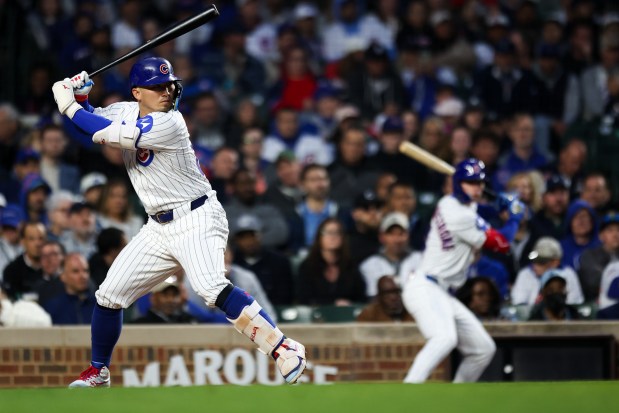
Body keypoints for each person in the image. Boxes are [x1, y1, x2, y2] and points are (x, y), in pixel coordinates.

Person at [52, 57, 305, 387]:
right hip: (158, 227)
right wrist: (82, 99)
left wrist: (66, 103)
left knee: (210, 288)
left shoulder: (170, 122)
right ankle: (98, 371)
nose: (167, 91)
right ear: (137, 92)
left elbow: (100, 132)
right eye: (158, 87)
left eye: (169, 85)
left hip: (196, 217)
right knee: (108, 296)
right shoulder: (124, 111)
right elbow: (91, 123)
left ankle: (283, 348)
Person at [402, 158, 524, 383]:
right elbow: (502, 243)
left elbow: (480, 210)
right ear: (459, 183)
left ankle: (457, 397)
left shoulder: (451, 203)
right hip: (424, 287)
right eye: (470, 182)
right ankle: (408, 390)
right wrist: (514, 217)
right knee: (444, 338)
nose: (477, 188)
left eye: (479, 182)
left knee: (483, 349)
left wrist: (498, 206)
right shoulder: (458, 214)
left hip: (443, 292)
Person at [297, 217, 366, 306]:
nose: (333, 237)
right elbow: (304, 299)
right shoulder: (307, 267)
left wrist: (350, 304)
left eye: (337, 233)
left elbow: (360, 297)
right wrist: (333, 304)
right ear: (319, 237)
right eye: (328, 233)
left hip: (346, 316)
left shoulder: (351, 266)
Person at [42, 252, 97, 325]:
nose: (83, 276)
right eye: (75, 271)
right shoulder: (51, 308)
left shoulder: (100, 306)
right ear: (63, 276)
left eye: (85, 271)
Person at [132, 276, 197, 324]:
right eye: (165, 295)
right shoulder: (140, 325)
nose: (171, 300)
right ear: (153, 298)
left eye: (175, 295)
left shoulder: (188, 321)